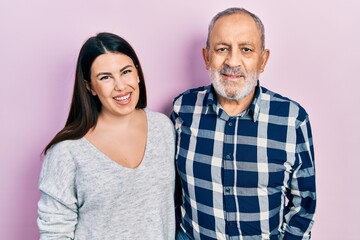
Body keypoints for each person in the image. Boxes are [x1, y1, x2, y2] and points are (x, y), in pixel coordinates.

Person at [171, 7, 316, 240]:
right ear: (207, 57)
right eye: (221, 49)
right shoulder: (182, 109)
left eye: (246, 50)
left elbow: (304, 205)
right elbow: (172, 191)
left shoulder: (293, 119)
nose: (232, 61)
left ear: (262, 60)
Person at [37, 32, 176, 239]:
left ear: (138, 74)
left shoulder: (163, 128)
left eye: (125, 72)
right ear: (90, 86)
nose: (120, 86)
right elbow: (54, 232)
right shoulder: (67, 151)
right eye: (105, 77)